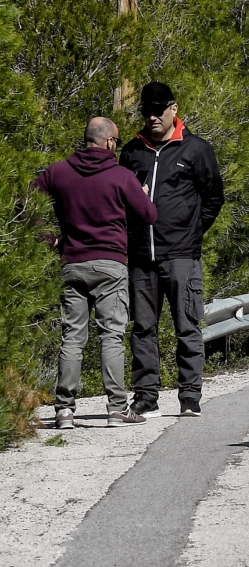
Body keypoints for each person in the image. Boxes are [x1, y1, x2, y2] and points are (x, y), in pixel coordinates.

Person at [34, 117, 157, 428]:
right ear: (110, 142)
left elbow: (26, 202)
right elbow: (148, 215)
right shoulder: (121, 176)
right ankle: (117, 408)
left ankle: (64, 410)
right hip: (110, 265)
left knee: (72, 337)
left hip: (71, 263)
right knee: (111, 337)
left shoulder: (58, 172)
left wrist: (50, 240)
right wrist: (141, 192)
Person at [120, 82, 225, 418]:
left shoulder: (196, 149)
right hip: (141, 257)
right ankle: (146, 396)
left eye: (158, 110)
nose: (152, 117)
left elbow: (213, 198)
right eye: (146, 111)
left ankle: (190, 396)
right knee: (142, 329)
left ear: (173, 109)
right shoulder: (131, 152)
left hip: (181, 255)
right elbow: (120, 201)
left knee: (187, 326)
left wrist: (191, 231)